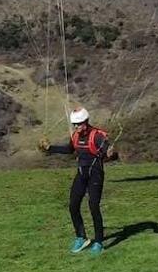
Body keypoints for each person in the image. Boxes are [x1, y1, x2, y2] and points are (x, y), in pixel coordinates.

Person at [38, 107, 117, 255]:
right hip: (81, 174)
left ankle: (99, 241)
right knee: (73, 205)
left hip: (95, 175)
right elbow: (69, 149)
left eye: (79, 124)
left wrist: (111, 154)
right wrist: (50, 149)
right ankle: (81, 237)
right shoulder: (75, 136)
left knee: (93, 206)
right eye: (74, 124)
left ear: (86, 122)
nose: (76, 127)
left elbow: (110, 153)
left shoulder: (97, 136)